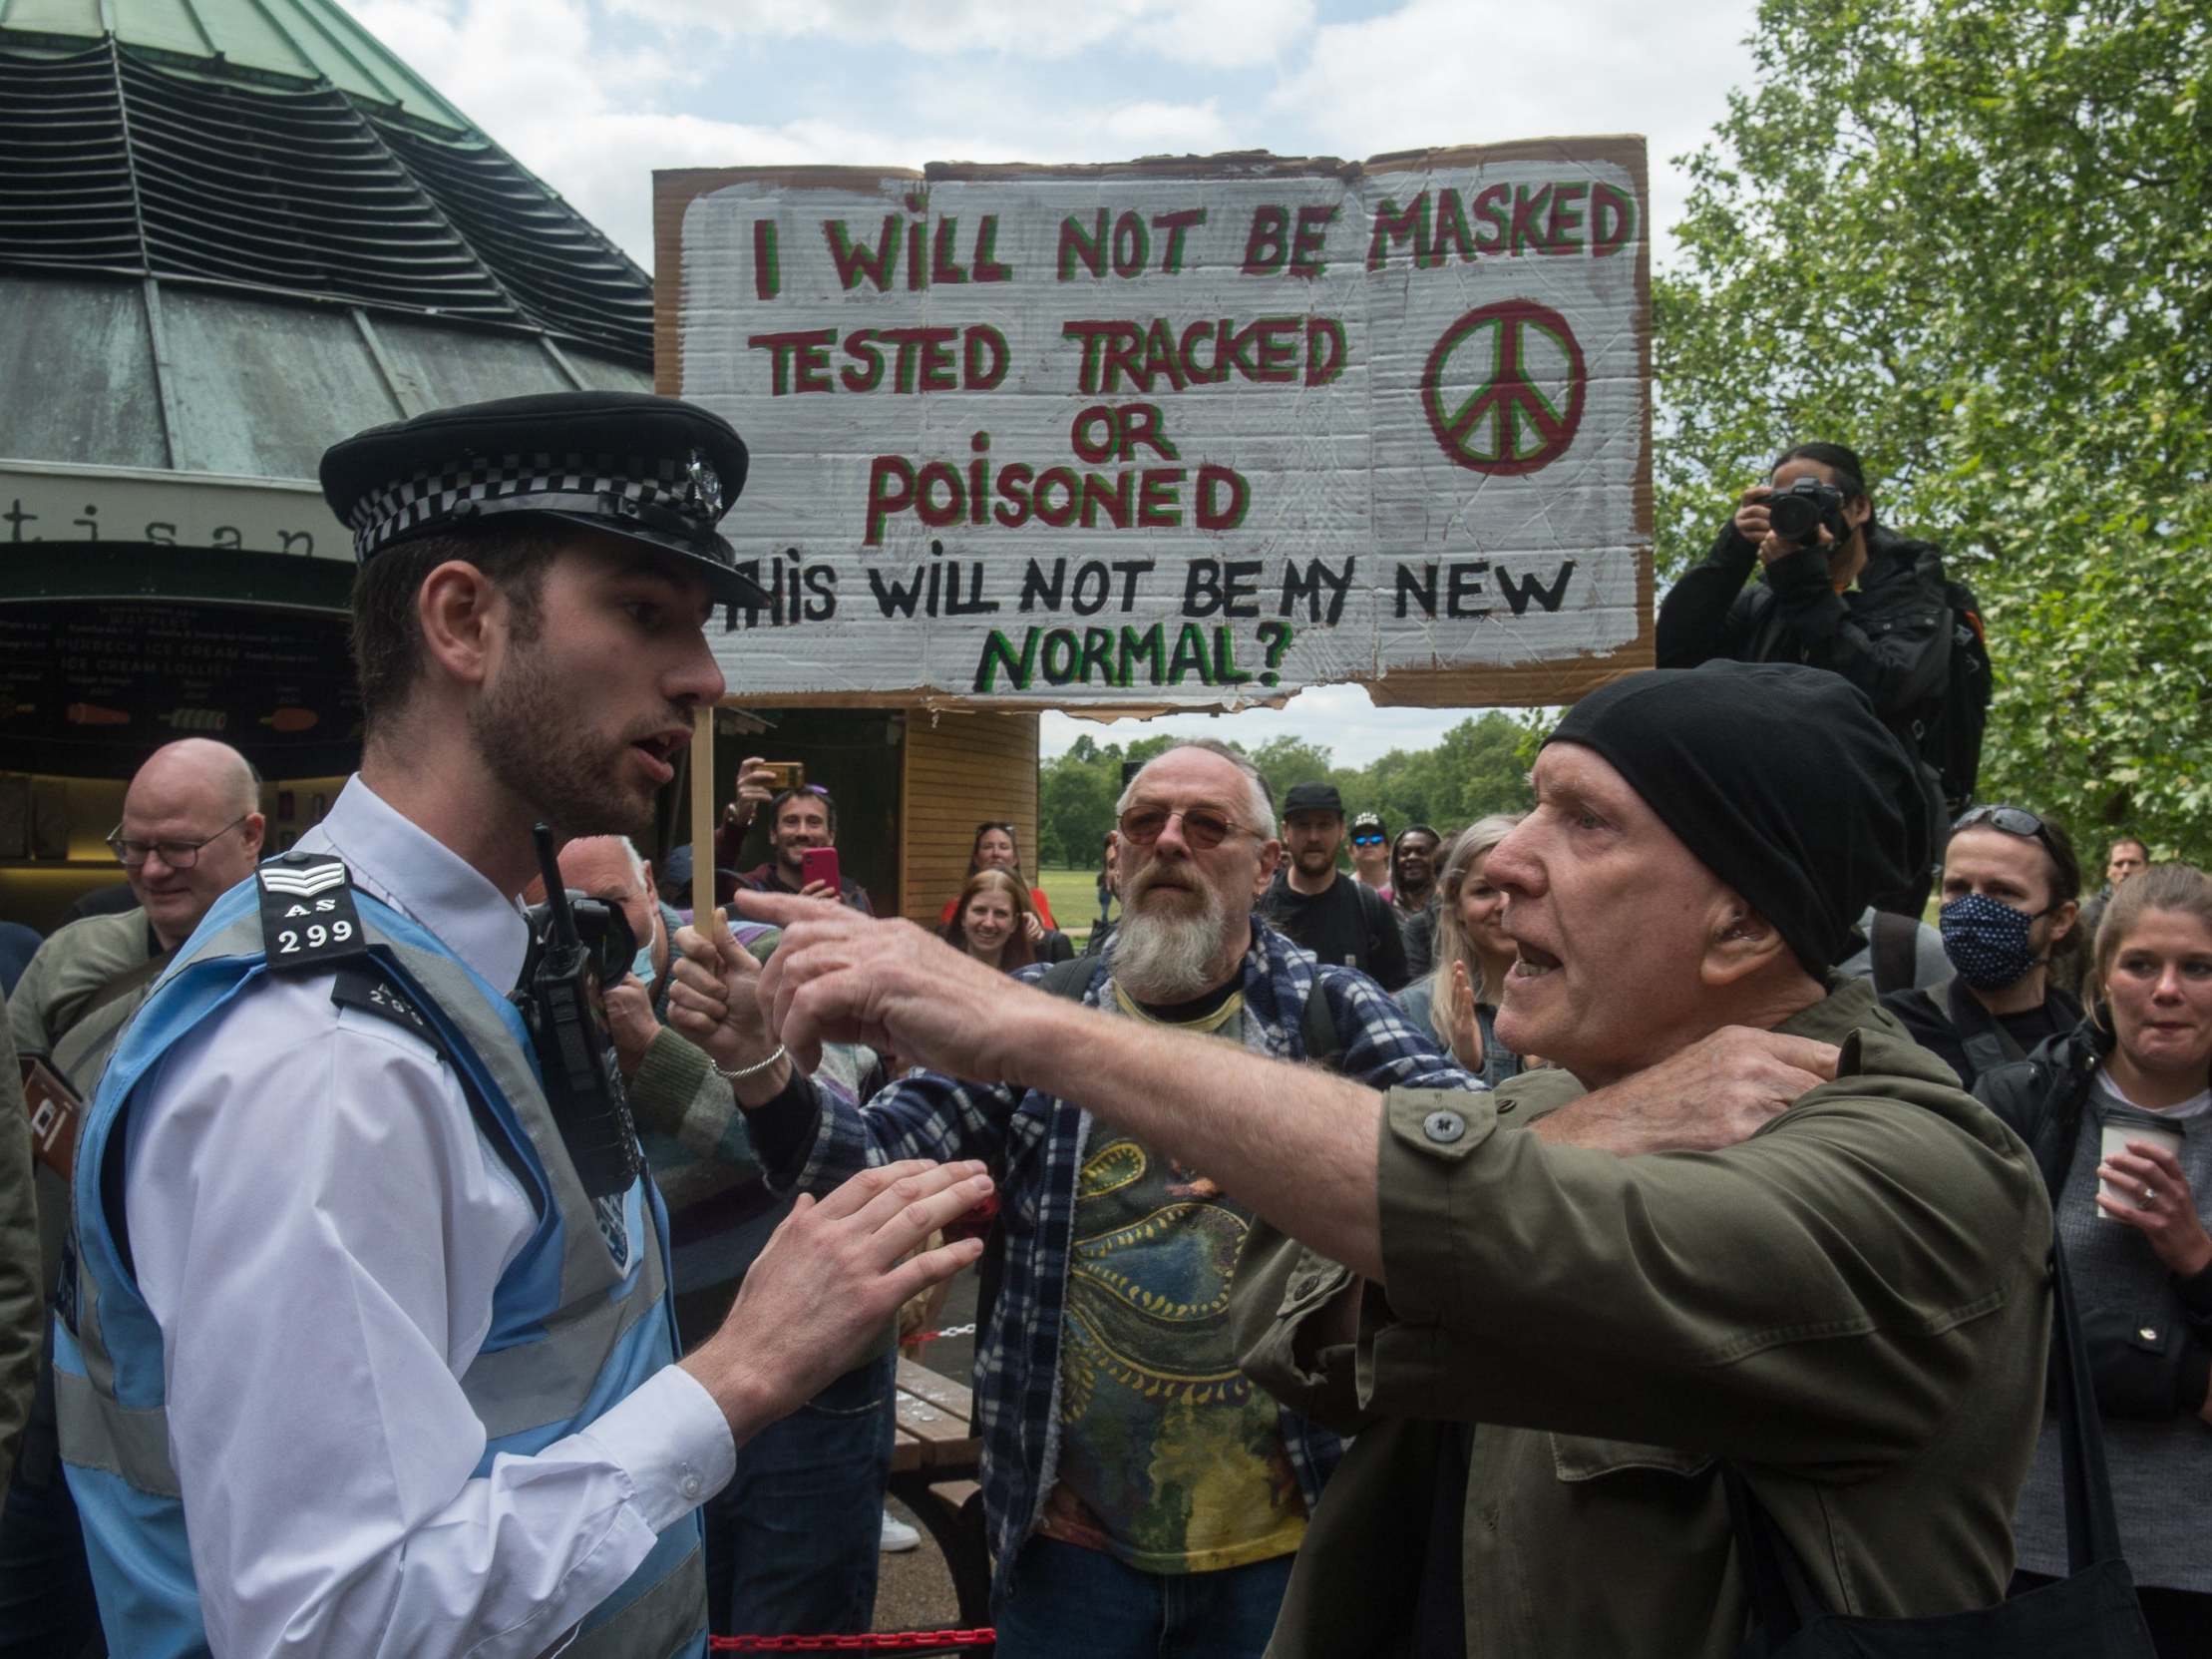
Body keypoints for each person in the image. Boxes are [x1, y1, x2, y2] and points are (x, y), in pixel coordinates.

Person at [727, 661, 2053, 1659]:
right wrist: (736, 1061)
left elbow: (1480, 1218)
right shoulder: (1564, 1096)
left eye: (1581, 822)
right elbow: (1293, 1304)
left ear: (1744, 915)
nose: (1502, 866)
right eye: (1528, 808)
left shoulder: (1909, 1165)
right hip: (1068, 1532)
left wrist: (1030, 1028)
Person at [51, 390, 987, 1659]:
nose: (705, 679)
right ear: (462, 621)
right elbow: (333, 1625)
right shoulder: (326, 1060)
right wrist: (739, 1375)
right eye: (644, 612)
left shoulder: (418, 938)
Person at [666, 738, 1472, 1659]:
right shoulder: (1033, 1010)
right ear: (1118, 857)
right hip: (1073, 1554)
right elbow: (870, 1165)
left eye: (1206, 825)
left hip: (1291, 1538)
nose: (1170, 840)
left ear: (1265, 866)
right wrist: (756, 1063)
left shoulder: (1331, 1008)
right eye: (1145, 822)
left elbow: (1478, 1170)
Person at [533, 834, 913, 1634]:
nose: (594, 931)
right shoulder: (544, 989)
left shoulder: (749, 955)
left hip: (809, 1367)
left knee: (790, 1625)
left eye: (613, 905)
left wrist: (656, 1059)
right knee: (688, 1620)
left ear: (649, 882)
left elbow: (837, 1144)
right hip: (664, 1381)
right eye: (560, 914)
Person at [3, 735, 267, 1659]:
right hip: (54, 1382)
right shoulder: (72, 963)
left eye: (179, 847)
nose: (151, 869)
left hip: (208, 1418)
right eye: (133, 844)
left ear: (252, 835)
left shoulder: (296, 972)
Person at [1974, 862, 2212, 1658]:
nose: (2168, 990)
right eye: (2142, 964)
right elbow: (1958, 1307)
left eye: (2198, 967)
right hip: (2028, 1539)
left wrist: (2194, 1256)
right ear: (2103, 978)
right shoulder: (2023, 1101)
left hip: (2194, 1561)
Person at [1656, 441, 1956, 911]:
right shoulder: (1764, 598)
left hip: (1872, 840)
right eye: (1779, 500)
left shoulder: (1910, 590)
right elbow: (1672, 657)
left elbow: (1887, 688)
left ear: (1858, 508)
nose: (1795, 510)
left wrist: (1806, 586)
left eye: (1813, 497)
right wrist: (1729, 556)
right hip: (1765, 827)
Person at [1885, 803, 2085, 1089]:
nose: (1973, 907)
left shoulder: (2086, 1042)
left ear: (2060, 920)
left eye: (2003, 891)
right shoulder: (1893, 1030)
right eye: (1958, 888)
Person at [1397, 815, 1526, 1089]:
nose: (1503, 904)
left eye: (1516, 887)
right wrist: (1461, 1066)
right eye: (1484, 891)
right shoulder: (1415, 1011)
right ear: (1456, 904)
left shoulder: (1580, 1002)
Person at [1260, 781, 1407, 992]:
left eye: (1324, 825)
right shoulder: (1259, 905)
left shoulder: (1370, 908)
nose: (1313, 837)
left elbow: (1395, 993)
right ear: (1285, 831)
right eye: (1302, 825)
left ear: (1341, 830)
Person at [735, 782, 874, 914]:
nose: (802, 832)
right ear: (773, 834)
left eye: (814, 822)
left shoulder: (854, 898)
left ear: (831, 835)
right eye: (791, 821)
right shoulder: (749, 892)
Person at [2058, 835, 2153, 1003]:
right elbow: (2069, 977)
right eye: (2119, 864)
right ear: (2109, 871)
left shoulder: (2161, 912)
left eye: (2133, 863)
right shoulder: (2088, 917)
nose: (2125, 870)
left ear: (2147, 868)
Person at [937, 822, 1060, 934]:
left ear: (1015, 859)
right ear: (976, 859)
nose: (996, 853)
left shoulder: (1036, 897)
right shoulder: (955, 906)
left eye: (1004, 847)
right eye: (987, 847)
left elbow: (1050, 943)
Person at [943, 868, 1067, 972]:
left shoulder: (1033, 981)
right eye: (979, 910)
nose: (988, 923)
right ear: (963, 917)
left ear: (1014, 923)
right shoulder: (936, 975)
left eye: (1000, 914)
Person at [1388, 823, 1444, 977]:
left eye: (1422, 851)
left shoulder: (1451, 912)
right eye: (1405, 852)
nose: (1412, 857)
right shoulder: (1382, 911)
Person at [1347, 811, 1390, 895]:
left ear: (1388, 849)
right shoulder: (1344, 891)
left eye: (1375, 838)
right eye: (1360, 839)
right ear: (1350, 851)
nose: (1368, 844)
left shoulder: (1404, 888)